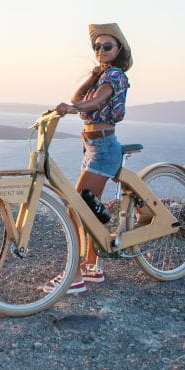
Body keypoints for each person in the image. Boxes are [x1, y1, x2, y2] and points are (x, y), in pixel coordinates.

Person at [52, 23, 132, 294]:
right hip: (91, 146)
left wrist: (73, 108)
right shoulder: (101, 75)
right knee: (87, 205)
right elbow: (79, 97)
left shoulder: (116, 76)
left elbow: (98, 101)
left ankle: (73, 276)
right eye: (97, 46)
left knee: (75, 208)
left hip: (104, 147)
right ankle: (92, 267)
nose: (100, 50)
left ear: (118, 49)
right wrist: (89, 79)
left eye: (107, 46)